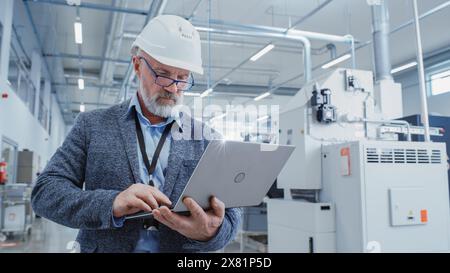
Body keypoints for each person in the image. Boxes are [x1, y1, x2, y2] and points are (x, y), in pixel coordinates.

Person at [31, 15, 241, 253]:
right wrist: (112, 203)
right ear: (137, 65)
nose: (172, 87)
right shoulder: (92, 125)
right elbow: (45, 192)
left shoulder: (206, 138)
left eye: (182, 78)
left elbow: (232, 215)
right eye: (162, 73)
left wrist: (212, 232)